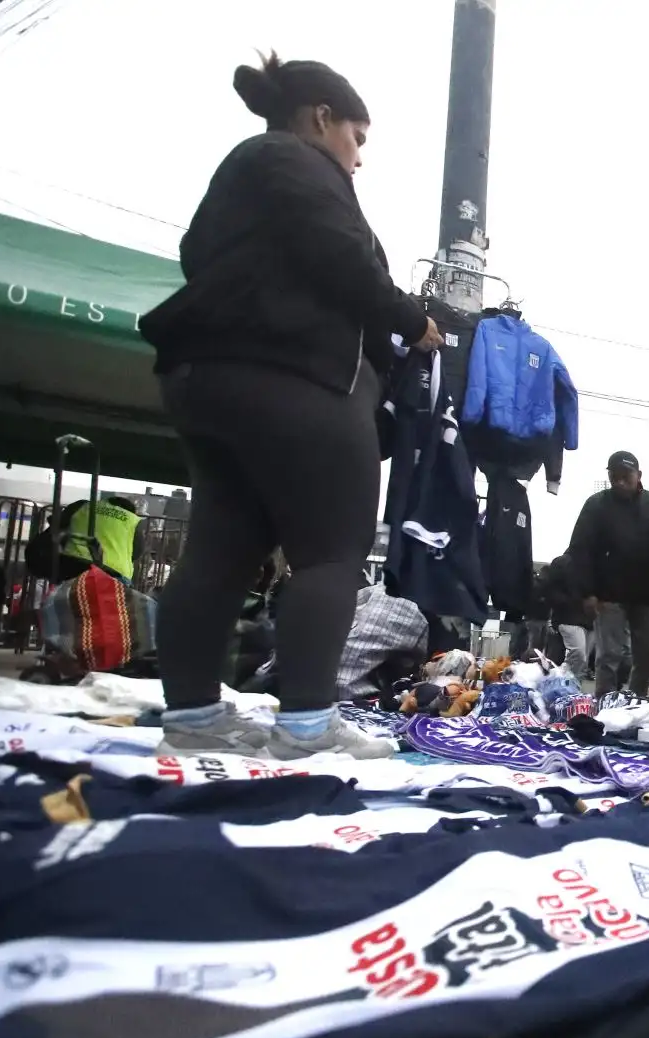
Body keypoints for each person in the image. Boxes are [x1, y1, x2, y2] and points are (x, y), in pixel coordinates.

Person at [140, 53, 442, 760]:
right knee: (331, 553)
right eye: (357, 138)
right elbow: (343, 258)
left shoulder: (241, 176)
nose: (358, 158)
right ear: (322, 118)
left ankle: (192, 717)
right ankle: (305, 725)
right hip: (298, 382)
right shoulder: (297, 163)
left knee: (221, 547)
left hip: (206, 381)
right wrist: (408, 317)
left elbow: (195, 257)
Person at [567, 452, 649, 696]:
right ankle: (604, 703)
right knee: (609, 656)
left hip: (648, 597)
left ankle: (636, 700)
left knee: (647, 656)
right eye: (613, 477)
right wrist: (587, 592)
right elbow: (580, 549)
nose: (619, 482)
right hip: (608, 596)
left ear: (638, 475)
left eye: (625, 476)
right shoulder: (596, 505)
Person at [539, 549, 593, 682]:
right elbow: (549, 590)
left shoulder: (593, 564)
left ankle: (573, 689)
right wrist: (569, 602)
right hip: (569, 617)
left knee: (582, 661)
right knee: (579, 654)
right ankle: (560, 681)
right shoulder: (562, 563)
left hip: (588, 619)